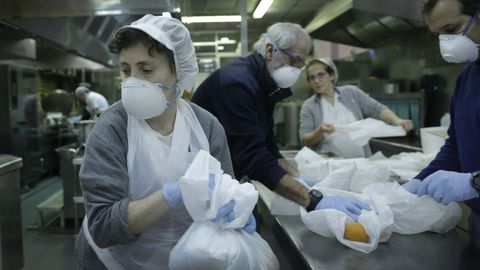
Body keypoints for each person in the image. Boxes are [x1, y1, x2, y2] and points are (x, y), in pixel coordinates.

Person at [74, 15, 255, 270]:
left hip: (187, 258)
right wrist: (173, 194)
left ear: (178, 72)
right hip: (114, 262)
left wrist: (235, 208)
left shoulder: (206, 127)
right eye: (126, 70)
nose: (133, 81)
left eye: (146, 70)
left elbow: (225, 192)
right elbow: (103, 226)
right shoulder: (112, 127)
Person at [192, 23, 370, 222]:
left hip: (225, 176)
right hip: (202, 183)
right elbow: (254, 157)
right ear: (270, 51)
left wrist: (297, 179)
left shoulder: (263, 84)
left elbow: (267, 143)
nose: (297, 70)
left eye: (300, 66)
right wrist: (312, 200)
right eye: (294, 61)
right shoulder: (237, 84)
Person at [402, 0, 480, 247]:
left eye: (451, 29)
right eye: (438, 35)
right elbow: (456, 147)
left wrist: (473, 183)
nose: (445, 43)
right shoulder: (466, 78)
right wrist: (420, 180)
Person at [299, 58, 413, 158]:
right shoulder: (309, 106)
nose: (317, 81)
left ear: (332, 75)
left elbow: (377, 109)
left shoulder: (352, 93)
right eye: (312, 78)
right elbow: (306, 140)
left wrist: (397, 120)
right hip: (331, 165)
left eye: (321, 75)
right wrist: (320, 130)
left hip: (362, 162)